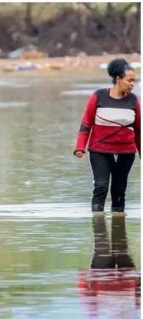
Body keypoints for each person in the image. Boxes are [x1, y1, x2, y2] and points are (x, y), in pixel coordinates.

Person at [74, 58, 141, 213]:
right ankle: (99, 230)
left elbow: (138, 131)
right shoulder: (98, 96)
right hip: (100, 151)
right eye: (129, 80)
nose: (133, 84)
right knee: (101, 186)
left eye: (134, 81)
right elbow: (86, 125)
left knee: (119, 190)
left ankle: (119, 232)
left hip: (126, 153)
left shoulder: (133, 100)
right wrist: (80, 148)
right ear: (118, 78)